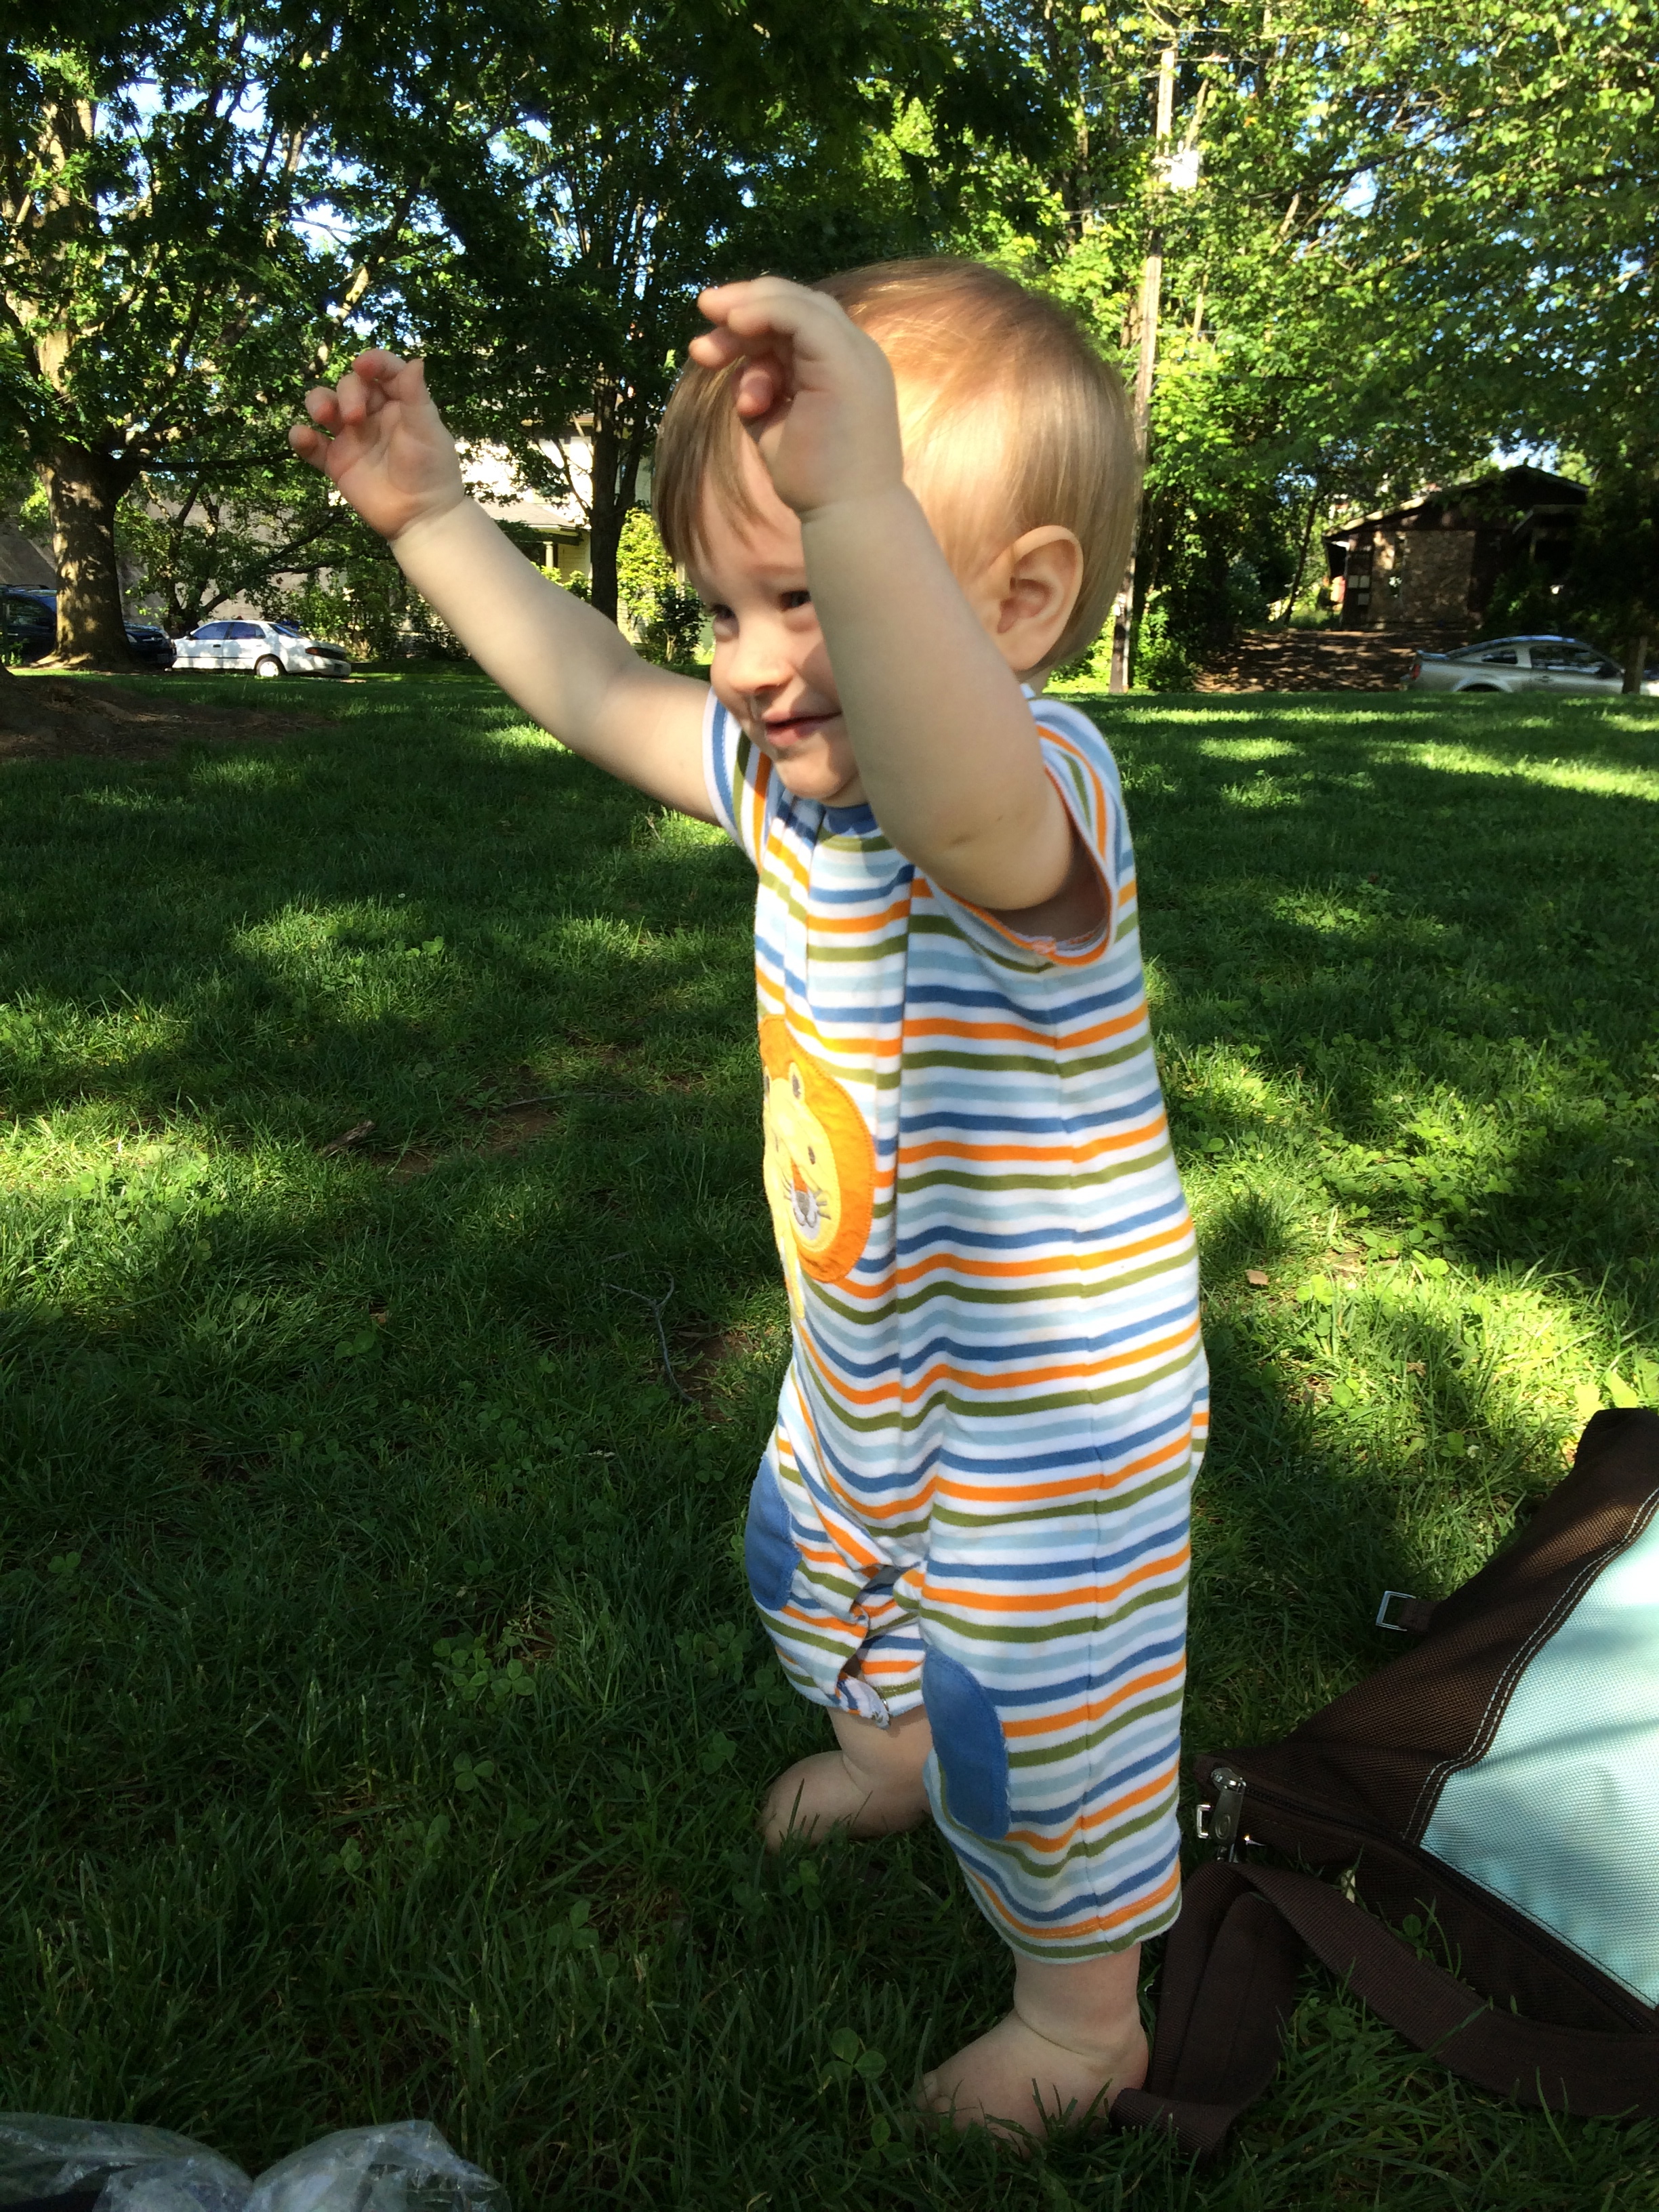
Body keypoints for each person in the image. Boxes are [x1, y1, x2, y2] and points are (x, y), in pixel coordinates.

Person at [290, 257, 1207, 2142]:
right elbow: (595, 688)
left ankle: (1083, 2015)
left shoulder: (1034, 791)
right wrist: (436, 521)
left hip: (1056, 1417)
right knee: (817, 1561)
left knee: (1047, 1719)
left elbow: (957, 801)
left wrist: (853, 497)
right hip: (873, 1352)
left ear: (1019, 604)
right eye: (725, 603)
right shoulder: (798, 784)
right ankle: (892, 1751)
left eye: (809, 599)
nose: (739, 660)